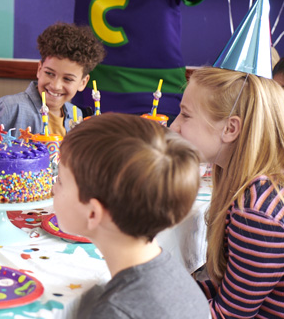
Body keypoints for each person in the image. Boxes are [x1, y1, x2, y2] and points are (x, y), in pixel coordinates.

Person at [54, 113, 207, 318]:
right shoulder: (173, 273)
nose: (53, 189)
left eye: (60, 181)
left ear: (93, 213)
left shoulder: (116, 311)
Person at [170, 67, 284, 317]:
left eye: (185, 115)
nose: (174, 126)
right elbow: (228, 286)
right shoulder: (253, 189)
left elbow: (229, 315)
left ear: (230, 129)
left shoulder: (256, 213)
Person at [0, 22, 105, 137]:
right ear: (39, 69)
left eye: (67, 79)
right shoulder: (9, 108)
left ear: (83, 83)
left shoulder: (77, 115)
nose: (55, 85)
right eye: (49, 73)